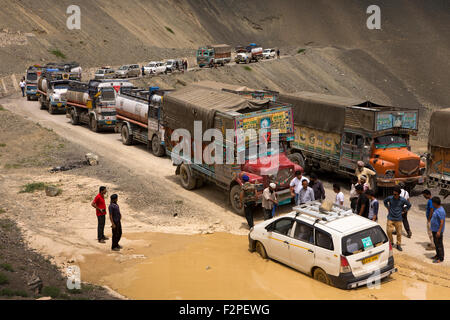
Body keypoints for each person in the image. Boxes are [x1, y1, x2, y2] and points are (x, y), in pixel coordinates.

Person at [383, 186, 411, 251]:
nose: (394, 195)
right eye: (393, 194)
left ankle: (398, 244)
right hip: (390, 217)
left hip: (398, 219)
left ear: (399, 194)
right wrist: (387, 207)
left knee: (399, 233)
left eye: (395, 194)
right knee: (389, 231)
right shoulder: (390, 198)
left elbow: (409, 205)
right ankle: (391, 242)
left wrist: (404, 211)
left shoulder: (402, 200)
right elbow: (384, 201)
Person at [430, 196, 446, 263]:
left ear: (435, 203)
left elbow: (442, 222)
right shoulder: (437, 209)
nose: (432, 204)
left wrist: (439, 231)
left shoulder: (441, 211)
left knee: (439, 244)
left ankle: (441, 258)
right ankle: (437, 255)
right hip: (434, 230)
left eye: (433, 203)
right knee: (436, 244)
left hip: (437, 231)